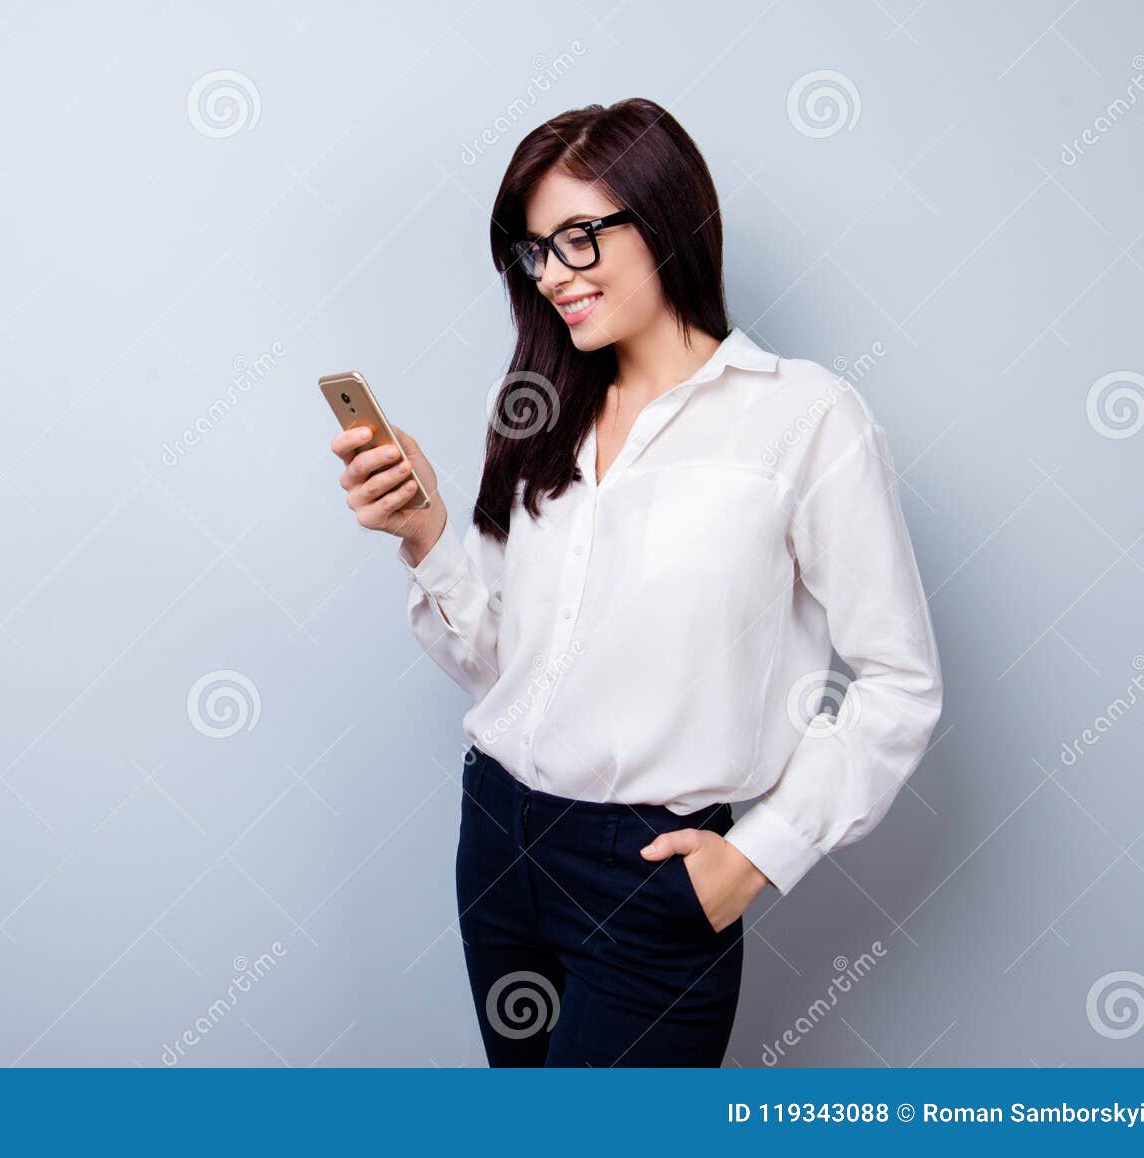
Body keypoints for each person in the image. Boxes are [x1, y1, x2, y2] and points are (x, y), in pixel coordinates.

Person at [328, 97, 942, 1067]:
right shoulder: (541, 410)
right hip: (498, 838)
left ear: (667, 218)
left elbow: (899, 681)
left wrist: (754, 858)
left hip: (650, 873)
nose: (554, 277)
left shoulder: (804, 417)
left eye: (579, 238)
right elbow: (503, 666)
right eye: (535, 252)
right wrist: (427, 531)